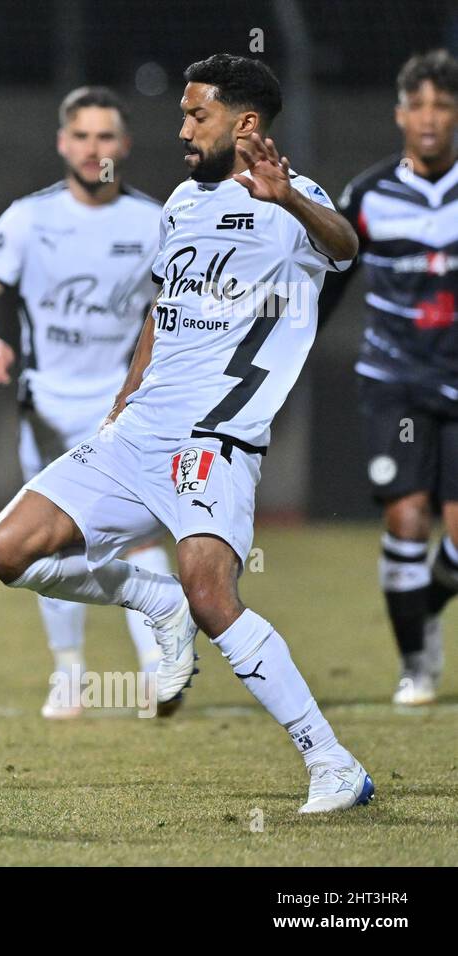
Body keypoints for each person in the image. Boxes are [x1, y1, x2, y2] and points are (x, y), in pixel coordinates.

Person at [0, 55, 372, 812]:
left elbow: (346, 246)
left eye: (197, 115)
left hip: (215, 435)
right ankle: (150, 601)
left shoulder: (291, 199)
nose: (182, 128)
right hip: (139, 430)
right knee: (4, 548)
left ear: (245, 123)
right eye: (185, 114)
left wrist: (288, 197)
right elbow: (161, 311)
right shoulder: (183, 203)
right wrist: (124, 400)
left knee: (212, 596)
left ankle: (333, 764)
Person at [0, 86, 168, 718]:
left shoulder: (155, 221)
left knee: (137, 536)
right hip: (46, 410)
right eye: (82, 136)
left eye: (106, 136)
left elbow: (179, 312)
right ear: (62, 143)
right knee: (48, 546)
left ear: (123, 146)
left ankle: (161, 673)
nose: (93, 147)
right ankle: (70, 676)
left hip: (123, 411)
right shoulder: (29, 217)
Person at [321, 50, 458, 705]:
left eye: (443, 105)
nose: (430, 118)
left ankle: (423, 608)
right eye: (419, 105)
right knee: (406, 517)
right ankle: (416, 664)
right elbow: (331, 285)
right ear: (400, 114)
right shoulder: (370, 194)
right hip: (396, 380)